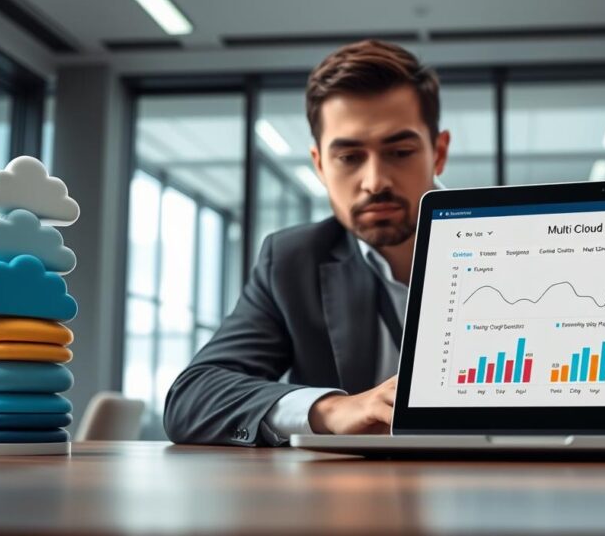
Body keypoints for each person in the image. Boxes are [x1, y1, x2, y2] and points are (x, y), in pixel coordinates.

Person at [163, 40, 450, 446]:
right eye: (349, 158)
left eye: (400, 152)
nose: (375, 182)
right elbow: (192, 398)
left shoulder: (518, 245)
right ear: (319, 165)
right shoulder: (292, 262)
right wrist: (331, 410)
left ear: (438, 153)